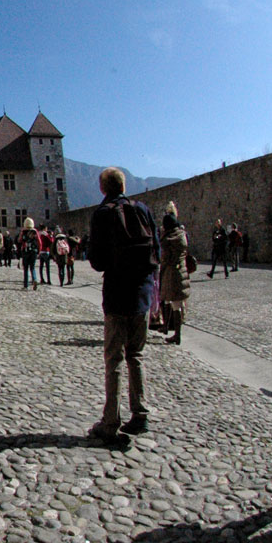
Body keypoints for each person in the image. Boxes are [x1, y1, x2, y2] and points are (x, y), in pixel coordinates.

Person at [87, 167, 159, 445]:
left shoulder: (103, 213)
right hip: (142, 295)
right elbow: (157, 252)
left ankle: (110, 422)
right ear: (124, 185)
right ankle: (140, 414)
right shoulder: (143, 209)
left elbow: (97, 262)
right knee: (136, 356)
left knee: (114, 360)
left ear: (103, 188)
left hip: (117, 294)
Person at [159, 202, 190, 345]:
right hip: (182, 270)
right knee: (178, 303)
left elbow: (165, 259)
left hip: (171, 273)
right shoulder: (182, 236)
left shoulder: (168, 241)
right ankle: (175, 331)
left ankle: (173, 332)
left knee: (170, 300)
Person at [18, 218, 41, 290]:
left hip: (25, 251)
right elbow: (39, 242)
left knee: (26, 268)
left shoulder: (23, 231)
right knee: (33, 267)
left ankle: (26, 285)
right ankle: (34, 279)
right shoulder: (35, 231)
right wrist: (38, 251)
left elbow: (19, 240)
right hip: (34, 251)